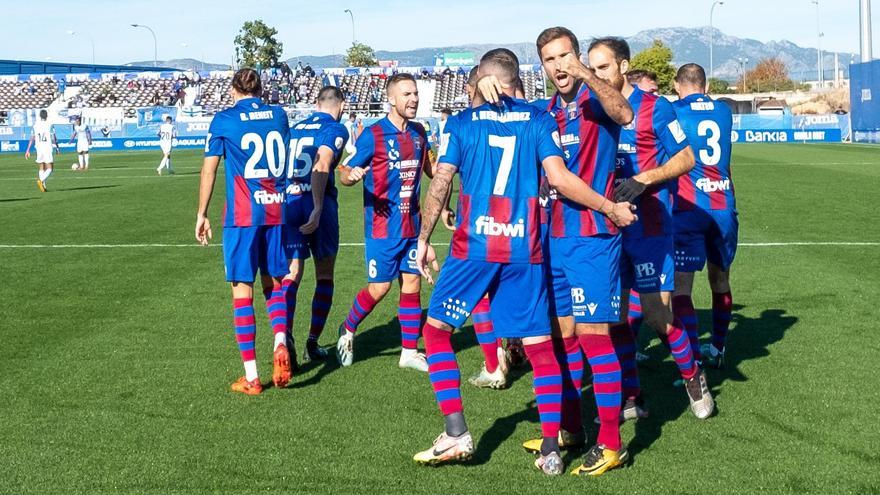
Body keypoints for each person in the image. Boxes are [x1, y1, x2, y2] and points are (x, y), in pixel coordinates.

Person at [411, 48, 636, 475]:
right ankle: (552, 446)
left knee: (436, 332)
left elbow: (441, 181)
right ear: (516, 80)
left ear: (481, 79)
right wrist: (608, 205)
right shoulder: (539, 118)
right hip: (527, 247)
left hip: (474, 246)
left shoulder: (459, 124)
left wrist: (423, 239)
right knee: (538, 346)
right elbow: (559, 177)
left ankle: (456, 431)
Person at [482, 27, 636, 476]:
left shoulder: (597, 103)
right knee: (561, 337)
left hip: (592, 237)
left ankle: (611, 444)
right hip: (549, 238)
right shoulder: (542, 112)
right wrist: (484, 87)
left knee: (593, 337)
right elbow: (500, 122)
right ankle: (571, 429)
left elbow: (625, 111)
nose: (559, 66)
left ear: (577, 57)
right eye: (549, 60)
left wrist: (587, 73)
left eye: (564, 56)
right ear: (542, 67)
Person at [588, 37, 714, 420]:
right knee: (615, 316)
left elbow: (687, 157)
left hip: (650, 226)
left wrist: (645, 179)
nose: (597, 76)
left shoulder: (655, 107)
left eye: (604, 67)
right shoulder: (591, 109)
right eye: (591, 69)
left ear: (624, 67)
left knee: (658, 316)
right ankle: (632, 395)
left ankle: (694, 377)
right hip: (607, 227)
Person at [195, 68, 292, 395]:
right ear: (261, 88)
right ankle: (281, 338)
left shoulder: (224, 119)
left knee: (242, 290)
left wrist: (201, 213)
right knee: (274, 283)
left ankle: (252, 377)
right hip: (276, 208)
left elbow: (209, 168)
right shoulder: (279, 115)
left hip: (243, 214)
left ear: (233, 88)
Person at [335, 73, 434, 372]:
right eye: (407, 94)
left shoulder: (420, 132)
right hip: (382, 228)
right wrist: (350, 177)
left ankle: (408, 351)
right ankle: (348, 328)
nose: (414, 99)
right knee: (379, 289)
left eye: (415, 93)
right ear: (391, 99)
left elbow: (432, 170)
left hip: (412, 226)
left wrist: (444, 208)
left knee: (412, 284)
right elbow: (345, 170)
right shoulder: (374, 135)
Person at [671, 63, 737, 369]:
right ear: (707, 86)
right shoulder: (724, 112)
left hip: (689, 208)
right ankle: (719, 347)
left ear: (676, 85)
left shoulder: (674, 111)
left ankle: (693, 362)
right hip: (723, 205)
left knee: (682, 287)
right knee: (720, 279)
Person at [282, 86, 350, 364]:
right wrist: (319, 207)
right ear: (341, 105)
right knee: (324, 275)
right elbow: (322, 164)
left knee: (291, 274)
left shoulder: (295, 128)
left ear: (316, 103)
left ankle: (283, 338)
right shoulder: (336, 128)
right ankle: (312, 341)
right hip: (317, 204)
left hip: (288, 203)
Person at [25, 109, 59, 192]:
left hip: (39, 147)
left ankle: (43, 186)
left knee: (41, 167)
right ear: (46, 116)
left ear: (40, 116)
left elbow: (32, 138)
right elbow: (53, 137)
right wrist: (57, 147)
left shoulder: (35, 125)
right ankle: (41, 180)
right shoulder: (50, 124)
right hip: (47, 147)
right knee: (50, 168)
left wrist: (28, 150)